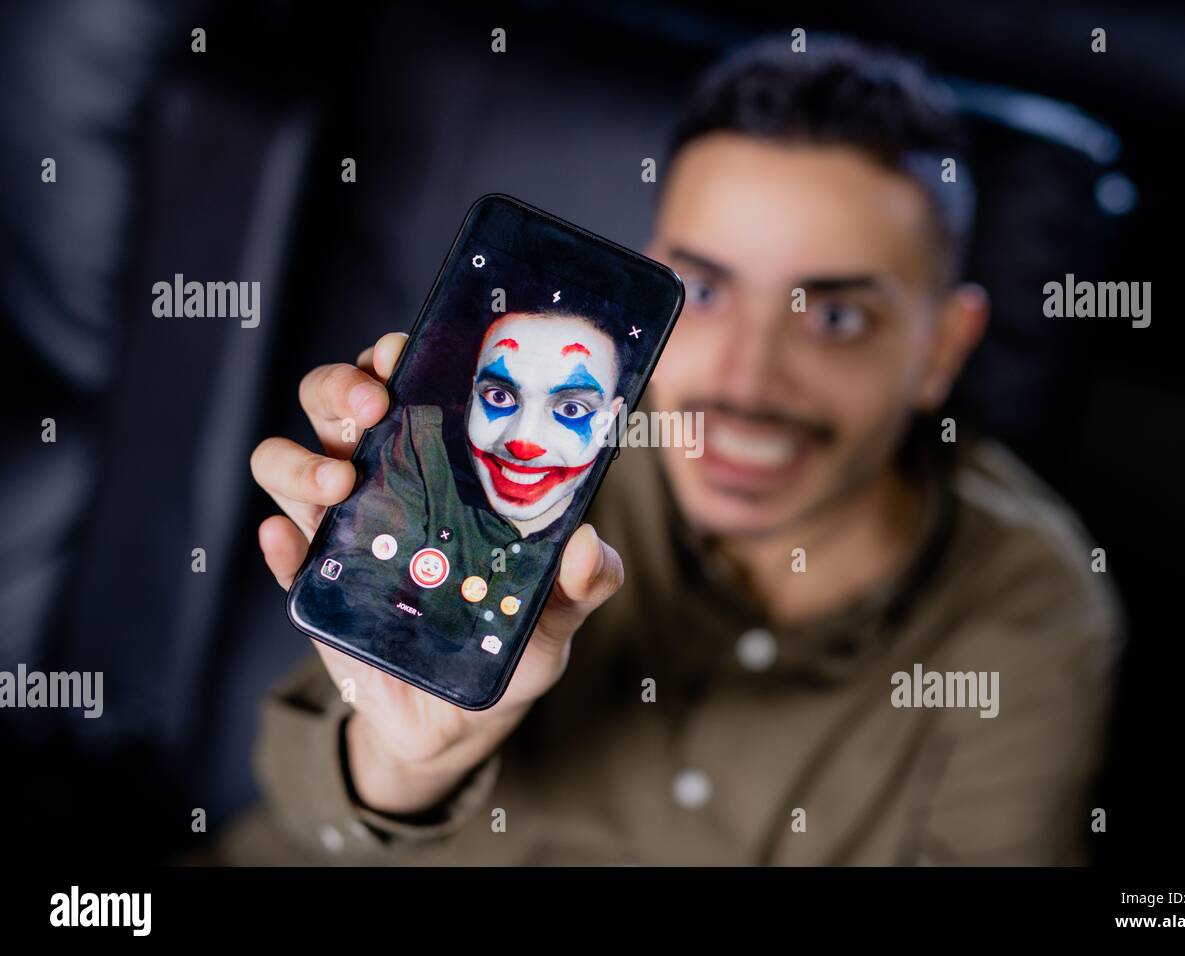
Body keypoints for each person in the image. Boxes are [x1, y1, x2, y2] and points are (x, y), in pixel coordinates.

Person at [220, 35, 1121, 865]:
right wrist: (413, 758)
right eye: (705, 289)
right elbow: (303, 815)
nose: (747, 386)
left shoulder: (1031, 610)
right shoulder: (527, 457)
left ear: (944, 350)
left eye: (838, 317)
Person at [291, 310, 625, 663]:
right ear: (472, 392)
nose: (523, 442)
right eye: (499, 396)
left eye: (572, 409)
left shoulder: (625, 527)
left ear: (612, 421)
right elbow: (362, 583)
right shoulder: (423, 444)